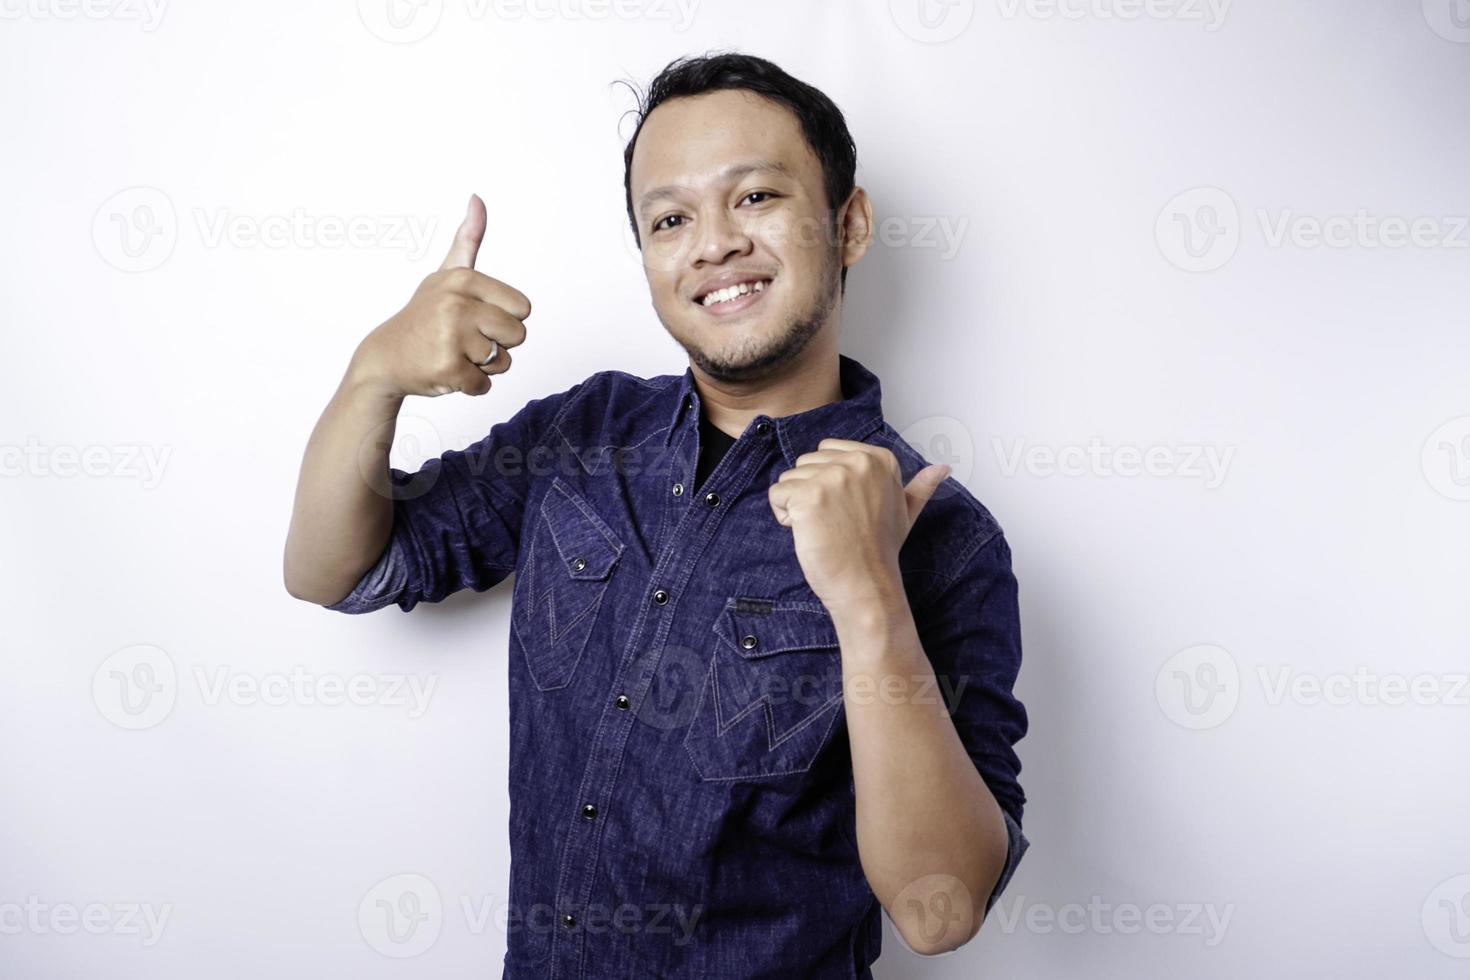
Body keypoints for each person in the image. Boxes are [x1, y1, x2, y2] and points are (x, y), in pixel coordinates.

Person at [284, 51, 1028, 980]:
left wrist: (871, 604)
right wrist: (373, 378)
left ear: (849, 223)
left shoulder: (945, 536)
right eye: (670, 218)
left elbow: (939, 908)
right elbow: (334, 571)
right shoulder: (578, 434)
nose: (713, 243)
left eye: (755, 197)